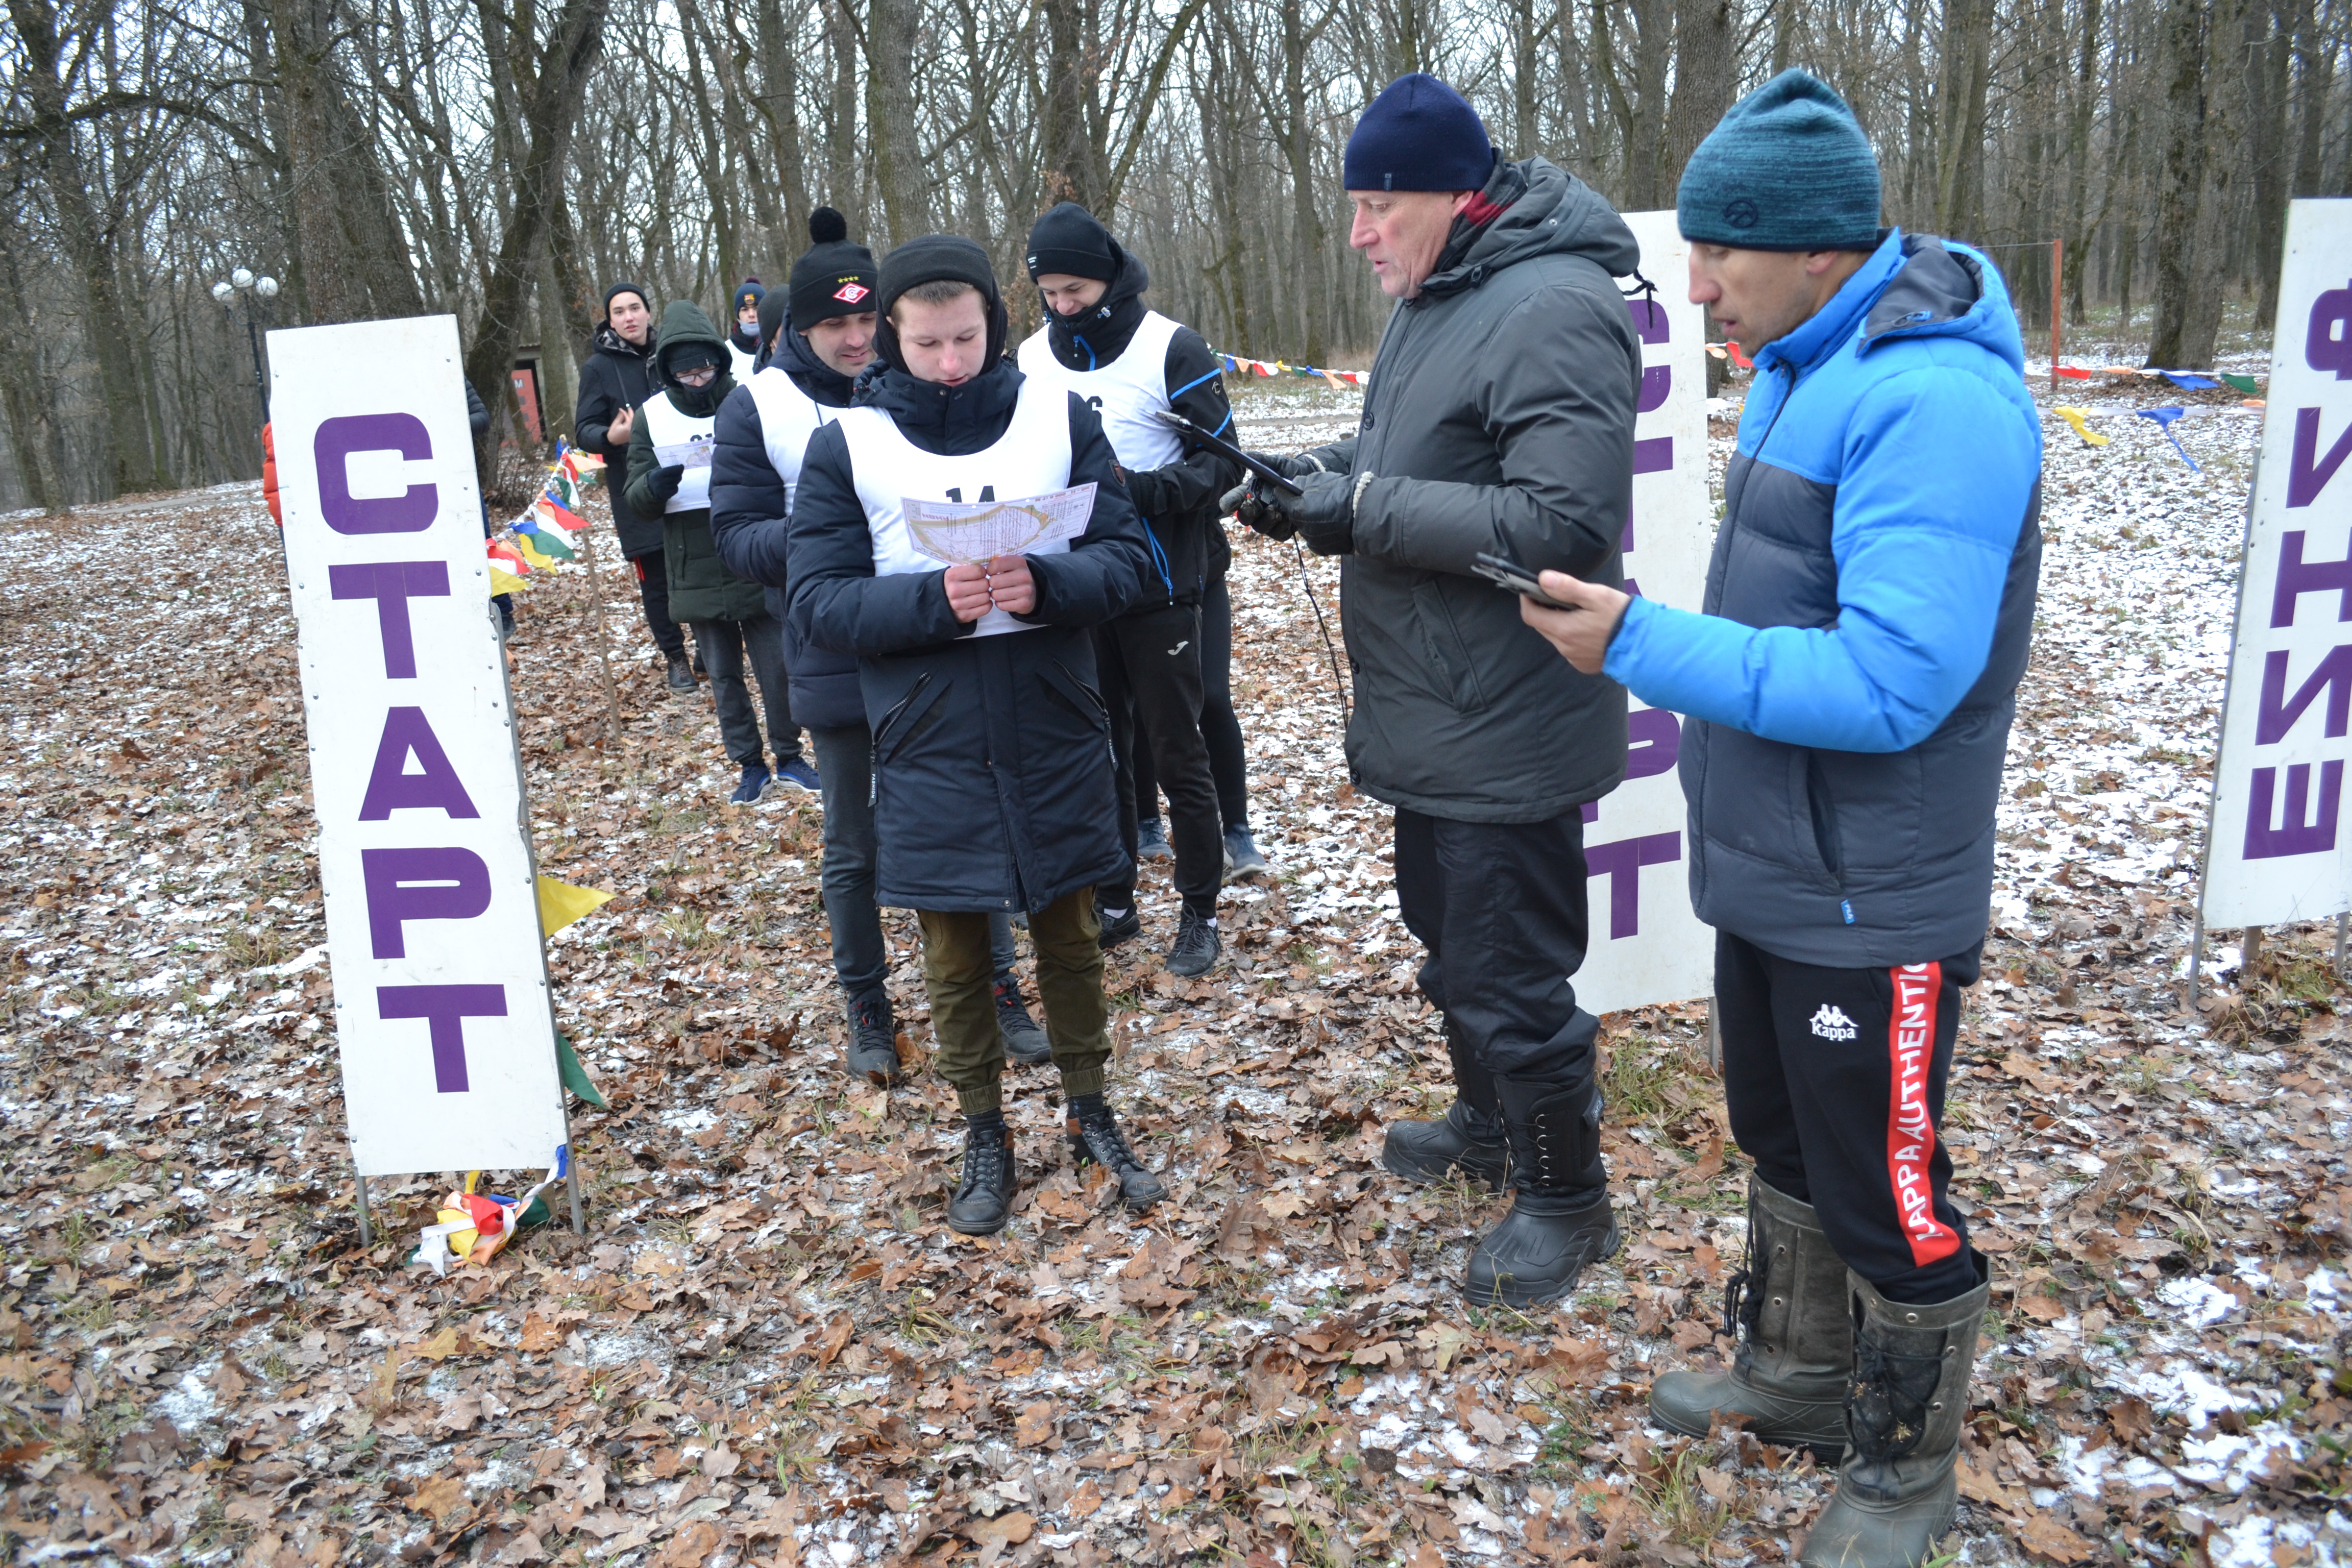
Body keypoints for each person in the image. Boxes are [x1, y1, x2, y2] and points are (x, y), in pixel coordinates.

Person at [1515, 72, 2040, 1568]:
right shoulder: (1816, 359)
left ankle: (1901, 1471)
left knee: (1888, 1188)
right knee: (1782, 1141)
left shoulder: (1935, 399)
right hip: (1778, 869)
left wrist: (1635, 643)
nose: (1697, 286)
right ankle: (1803, 1373)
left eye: (1718, 253)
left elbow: (1891, 683)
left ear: (1813, 246)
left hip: (1877, 892)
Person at [1224, 72, 1641, 1308]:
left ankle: (1570, 1195)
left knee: (1509, 967)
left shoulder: (1555, 304)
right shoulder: (1440, 292)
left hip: (1506, 707)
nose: (1356, 235)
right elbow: (1412, 455)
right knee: (1451, 942)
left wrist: (1358, 510)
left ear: (1451, 199)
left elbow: (1561, 519)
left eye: (1374, 206)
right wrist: (1311, 471)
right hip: (1434, 701)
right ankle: (1486, 1122)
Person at [785, 233, 1164, 1235]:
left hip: (1055, 721)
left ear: (993, 327)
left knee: (1072, 937)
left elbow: (1132, 560)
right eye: (925, 344)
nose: (949, 361)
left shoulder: (1057, 418)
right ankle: (984, 1129)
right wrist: (929, 605)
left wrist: (1051, 583)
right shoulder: (848, 444)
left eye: (965, 339)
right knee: (953, 953)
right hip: (927, 735)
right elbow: (818, 602)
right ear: (889, 341)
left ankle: (1089, 1108)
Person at [713, 208, 1049, 1084]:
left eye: (869, 321)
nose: (857, 338)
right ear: (799, 328)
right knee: (854, 841)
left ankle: (1000, 984)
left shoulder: (922, 390)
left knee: (974, 813)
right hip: (830, 652)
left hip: (941, 642)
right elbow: (734, 534)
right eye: (837, 324)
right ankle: (867, 1001)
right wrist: (829, 538)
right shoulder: (759, 405)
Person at [1017, 203, 1242, 975]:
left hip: (1162, 580)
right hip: (1077, 584)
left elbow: (1224, 465)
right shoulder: (1030, 359)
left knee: (1178, 750)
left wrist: (1138, 492)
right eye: (1049, 291)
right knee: (1097, 748)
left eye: (1075, 289)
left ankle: (1200, 911)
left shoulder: (1170, 347)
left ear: (1109, 276)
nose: (1062, 305)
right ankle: (1114, 898)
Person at [623, 301, 811, 804]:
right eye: (685, 369)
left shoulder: (748, 400)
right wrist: (654, 487)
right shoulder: (653, 416)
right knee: (724, 675)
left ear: (719, 361)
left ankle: (790, 754)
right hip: (693, 561)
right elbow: (635, 494)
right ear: (668, 371)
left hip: (754, 551)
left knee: (777, 666)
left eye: (704, 366)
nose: (697, 377)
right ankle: (749, 764)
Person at [576, 283, 697, 692]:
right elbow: (584, 430)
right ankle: (676, 658)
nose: (629, 317)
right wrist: (612, 438)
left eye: (635, 308)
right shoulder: (598, 367)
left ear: (649, 313)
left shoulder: (672, 355)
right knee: (657, 580)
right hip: (634, 488)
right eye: (619, 312)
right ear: (609, 321)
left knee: (696, 566)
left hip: (688, 481)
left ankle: (709, 649)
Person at [726, 279, 765, 382]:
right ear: (737, 314)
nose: (751, 314)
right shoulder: (726, 352)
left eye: (756, 308)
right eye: (745, 309)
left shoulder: (778, 347)